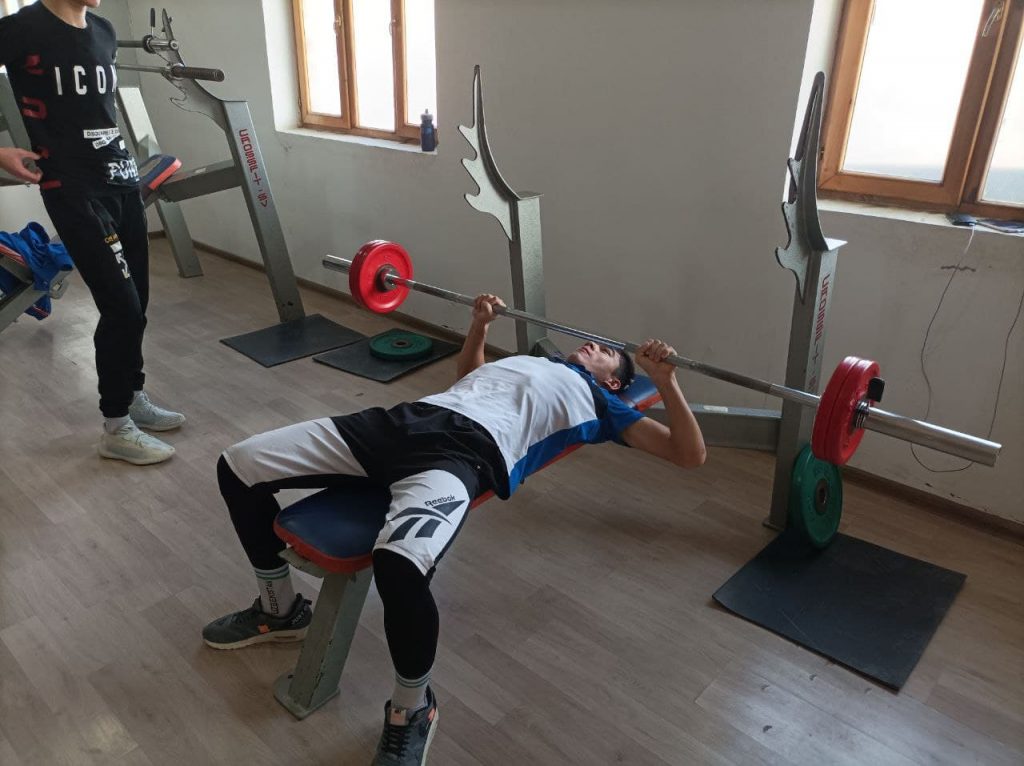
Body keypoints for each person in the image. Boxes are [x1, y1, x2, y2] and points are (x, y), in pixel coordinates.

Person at [202, 293, 706, 765]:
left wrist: (666, 382)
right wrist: (479, 326)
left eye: (608, 354)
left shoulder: (600, 402)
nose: (595, 346)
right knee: (237, 464)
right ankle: (280, 610)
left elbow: (688, 454)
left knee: (400, 566)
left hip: (460, 457)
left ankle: (412, 708)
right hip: (398, 423)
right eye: (596, 344)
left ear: (615, 382)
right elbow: (468, 378)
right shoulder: (528, 361)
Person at [0, 0, 184, 465]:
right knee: (121, 306)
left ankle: (132, 394)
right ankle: (116, 427)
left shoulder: (102, 31)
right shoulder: (23, 28)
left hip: (121, 181)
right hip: (72, 189)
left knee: (138, 302)